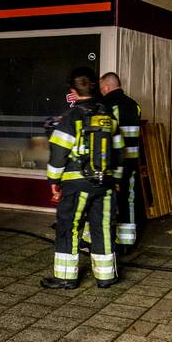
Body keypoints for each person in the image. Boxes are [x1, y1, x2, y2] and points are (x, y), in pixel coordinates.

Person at [42, 67, 125, 290]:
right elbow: (118, 151)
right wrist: (116, 179)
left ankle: (66, 278)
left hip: (76, 184)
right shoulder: (107, 115)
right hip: (105, 183)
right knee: (103, 227)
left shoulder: (70, 117)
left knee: (69, 227)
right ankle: (106, 277)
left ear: (73, 91)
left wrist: (53, 182)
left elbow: (59, 152)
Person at [99, 72, 142, 255]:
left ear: (107, 87)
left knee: (106, 201)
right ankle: (127, 241)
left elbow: (107, 137)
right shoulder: (135, 105)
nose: (101, 92)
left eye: (102, 88)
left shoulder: (107, 106)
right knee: (129, 200)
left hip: (115, 163)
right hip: (132, 161)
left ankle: (103, 239)